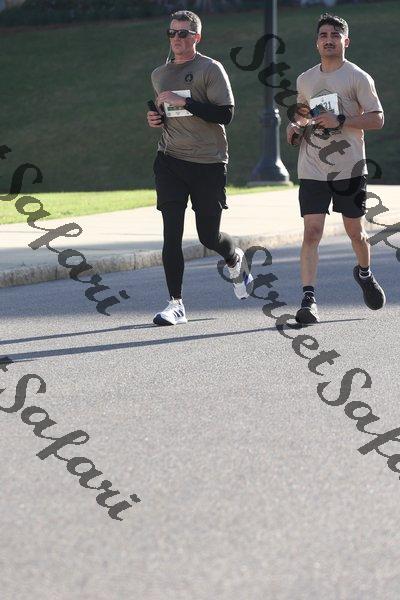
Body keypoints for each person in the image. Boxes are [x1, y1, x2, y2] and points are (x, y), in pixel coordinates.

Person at [147, 9, 252, 326]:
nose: (176, 38)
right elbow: (167, 115)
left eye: (183, 33)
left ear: (197, 37)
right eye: (172, 33)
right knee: (171, 234)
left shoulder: (210, 69)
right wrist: (156, 118)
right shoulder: (159, 74)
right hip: (170, 160)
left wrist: (186, 102)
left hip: (208, 162)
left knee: (208, 236)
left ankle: (233, 256)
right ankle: (175, 304)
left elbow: (225, 115)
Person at [286, 13, 386, 324]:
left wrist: (341, 120)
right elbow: (303, 113)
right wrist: (295, 127)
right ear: (316, 42)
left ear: (346, 41)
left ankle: (364, 273)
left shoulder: (357, 77)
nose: (328, 39)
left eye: (334, 35)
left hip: (349, 168)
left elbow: (377, 118)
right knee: (312, 231)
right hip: (312, 167)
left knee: (356, 233)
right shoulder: (305, 79)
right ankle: (308, 299)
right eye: (323, 35)